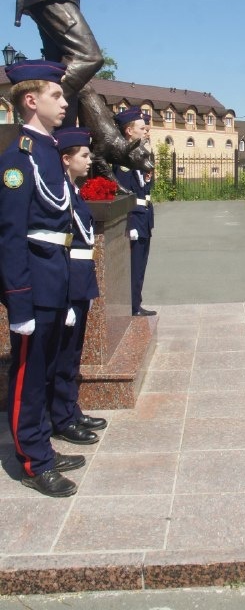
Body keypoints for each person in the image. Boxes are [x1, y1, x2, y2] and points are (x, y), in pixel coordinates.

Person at [0, 60, 85, 497]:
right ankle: (32, 460)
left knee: (48, 368)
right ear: (31, 101)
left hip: (56, 276)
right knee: (29, 376)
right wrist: (18, 301)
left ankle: (43, 443)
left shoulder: (50, 152)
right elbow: (11, 235)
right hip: (33, 282)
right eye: (57, 95)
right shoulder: (19, 160)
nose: (65, 101)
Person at [49, 127, 107, 444]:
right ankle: (62, 417)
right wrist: (69, 293)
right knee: (64, 352)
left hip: (81, 276)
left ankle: (70, 409)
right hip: (71, 278)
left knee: (74, 353)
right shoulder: (60, 192)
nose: (89, 160)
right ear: (66, 159)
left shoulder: (73, 189)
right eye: (83, 155)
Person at [112, 108, 156, 317]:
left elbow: (147, 186)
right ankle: (131, 306)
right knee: (133, 265)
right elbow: (122, 192)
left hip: (144, 217)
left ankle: (136, 303)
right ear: (129, 131)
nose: (145, 131)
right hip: (134, 219)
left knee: (140, 265)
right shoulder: (122, 158)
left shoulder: (140, 156)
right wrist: (128, 223)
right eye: (141, 128)